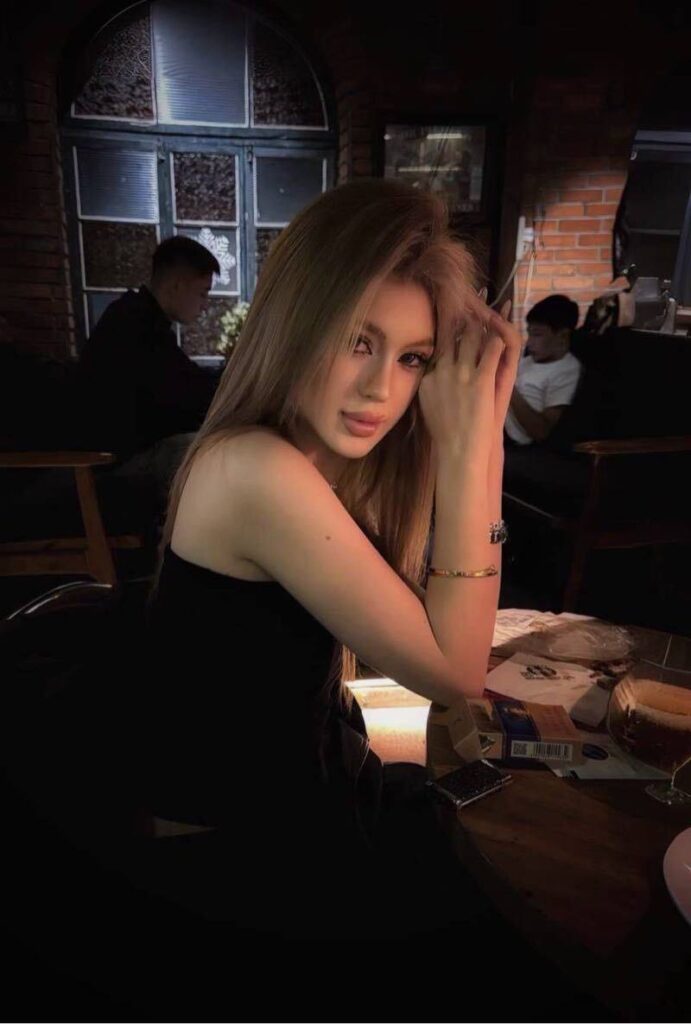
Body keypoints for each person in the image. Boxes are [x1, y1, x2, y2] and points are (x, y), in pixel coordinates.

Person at [136, 176, 525, 946]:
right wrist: (470, 443)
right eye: (357, 341)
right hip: (228, 858)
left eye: (412, 358)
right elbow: (454, 673)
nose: (380, 389)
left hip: (303, 787)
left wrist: (482, 425)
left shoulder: (309, 455)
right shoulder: (253, 469)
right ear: (295, 322)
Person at [78, 235, 221, 503]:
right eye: (203, 293)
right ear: (177, 285)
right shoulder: (136, 325)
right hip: (111, 466)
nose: (205, 305)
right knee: (214, 453)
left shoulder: (138, 318)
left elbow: (184, 381)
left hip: (121, 457)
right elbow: (182, 394)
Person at [504, 294, 582, 446]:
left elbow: (541, 431)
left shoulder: (567, 370)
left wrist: (507, 385)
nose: (529, 343)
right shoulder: (528, 361)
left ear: (562, 336)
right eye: (529, 334)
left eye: (537, 335)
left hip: (514, 443)